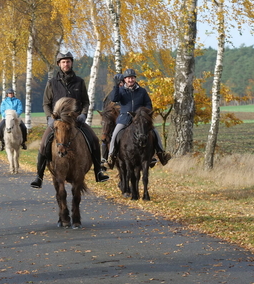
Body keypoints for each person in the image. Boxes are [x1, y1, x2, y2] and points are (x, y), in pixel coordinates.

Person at [30, 51, 110, 189]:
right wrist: (50, 118)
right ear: (59, 64)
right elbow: (46, 103)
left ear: (71, 63)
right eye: (63, 62)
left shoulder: (79, 81)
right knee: (44, 144)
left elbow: (85, 101)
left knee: (94, 140)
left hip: (76, 121)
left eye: (68, 61)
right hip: (58, 121)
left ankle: (98, 171)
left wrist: (83, 114)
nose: (66, 64)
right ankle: (39, 176)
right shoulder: (52, 83)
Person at [106, 68, 172, 168]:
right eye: (128, 78)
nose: (130, 80)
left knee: (155, 133)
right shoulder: (121, 90)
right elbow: (114, 99)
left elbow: (148, 104)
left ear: (135, 79)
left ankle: (161, 155)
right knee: (115, 133)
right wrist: (115, 86)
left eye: (132, 78)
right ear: (124, 79)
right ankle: (111, 156)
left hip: (139, 119)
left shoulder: (142, 91)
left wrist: (144, 113)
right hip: (125, 118)